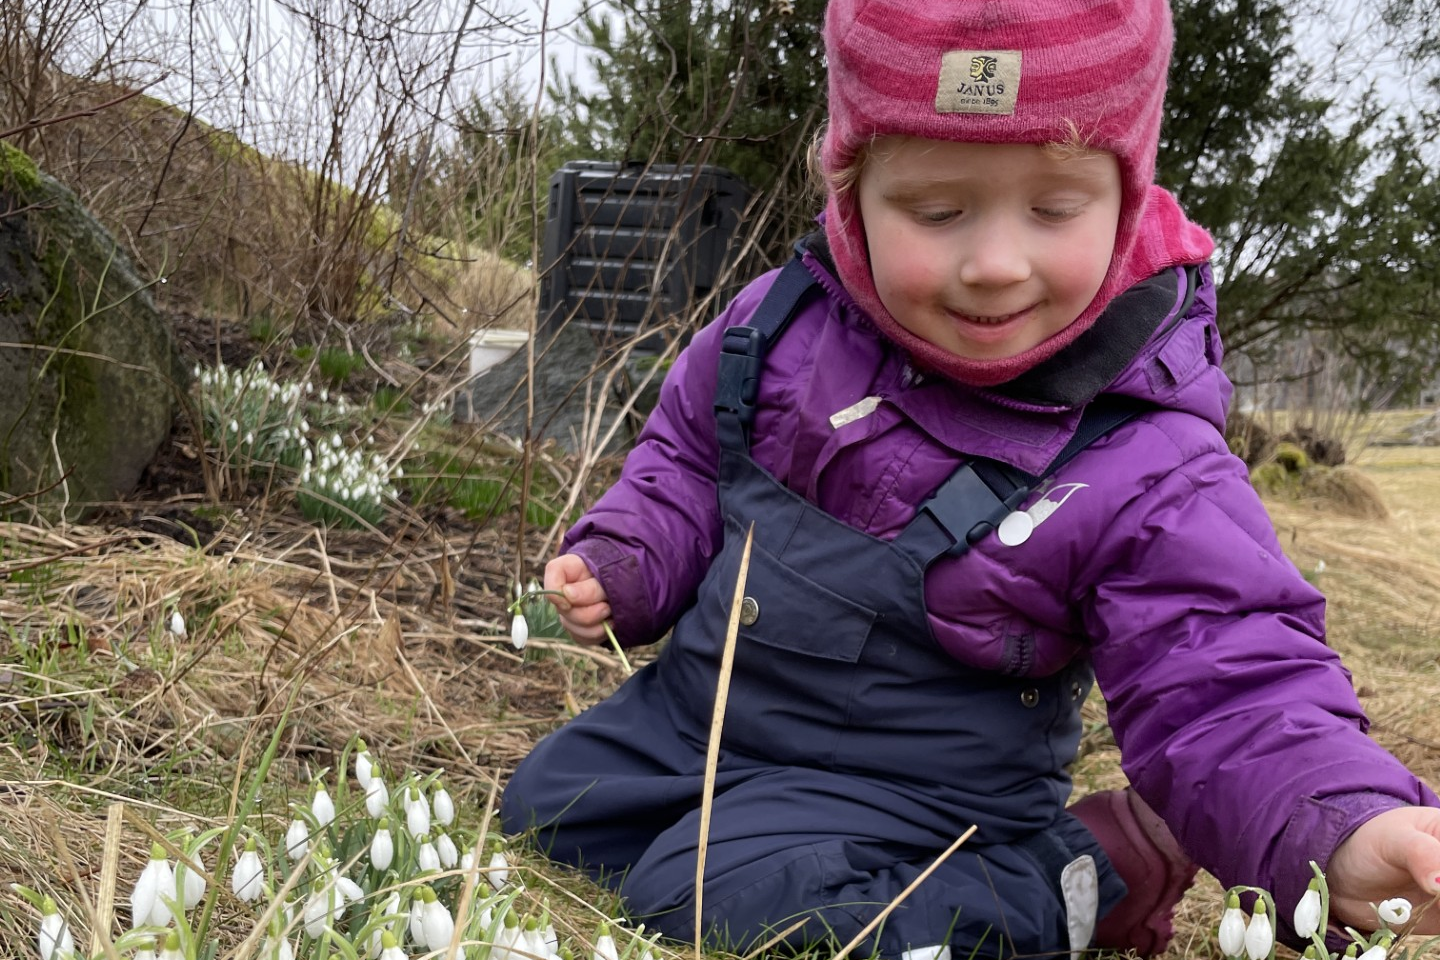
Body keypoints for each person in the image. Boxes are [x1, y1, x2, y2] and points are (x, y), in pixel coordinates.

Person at [501, 1, 1440, 957]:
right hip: (694, 728)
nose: (994, 264)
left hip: (917, 803)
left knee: (718, 903)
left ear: (1127, 200)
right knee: (546, 811)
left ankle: (1066, 877)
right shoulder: (775, 326)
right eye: (939, 212)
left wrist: (1339, 824)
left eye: (1055, 209)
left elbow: (1229, 674)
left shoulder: (1145, 460)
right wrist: (630, 553)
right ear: (850, 195)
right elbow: (690, 458)